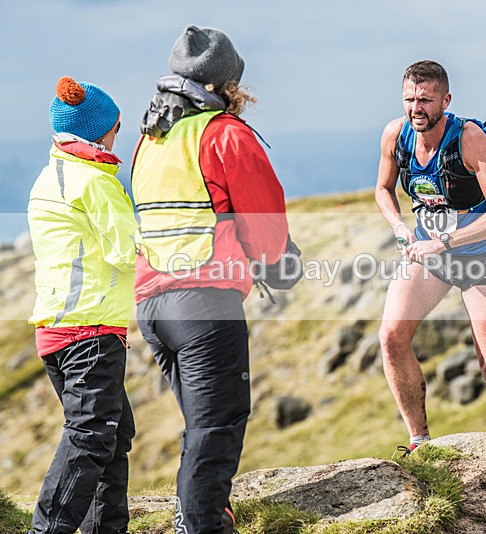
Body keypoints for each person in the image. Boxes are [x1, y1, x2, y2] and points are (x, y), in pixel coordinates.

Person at [131, 25, 295, 534]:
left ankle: (200, 513)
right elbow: (266, 228)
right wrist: (279, 263)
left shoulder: (151, 138)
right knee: (217, 425)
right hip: (204, 306)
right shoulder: (225, 133)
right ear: (229, 82)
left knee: (201, 425)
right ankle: (201, 524)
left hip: (153, 307)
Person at [375, 60, 486, 455]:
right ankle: (419, 442)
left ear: (446, 99)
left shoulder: (470, 139)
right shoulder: (396, 135)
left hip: (480, 256)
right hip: (427, 252)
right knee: (391, 337)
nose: (416, 109)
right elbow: (383, 189)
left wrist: (446, 242)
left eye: (425, 100)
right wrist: (399, 228)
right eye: (409, 99)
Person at [28, 76, 137, 533]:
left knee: (112, 433)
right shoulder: (94, 182)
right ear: (101, 132)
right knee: (91, 437)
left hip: (56, 331)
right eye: (116, 127)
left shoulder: (50, 175)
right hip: (89, 331)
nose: (119, 134)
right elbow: (128, 249)